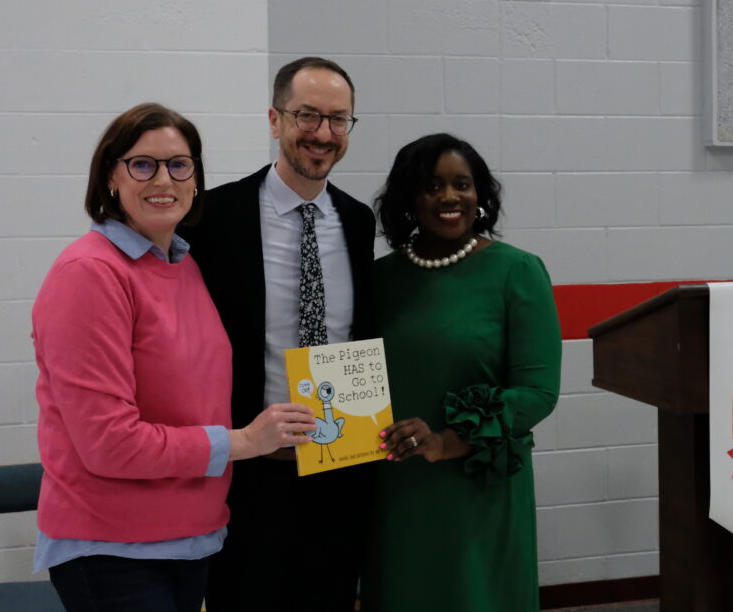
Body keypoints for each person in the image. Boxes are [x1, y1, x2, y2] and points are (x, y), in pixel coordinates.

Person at [32, 103, 317, 612]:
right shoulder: (90, 274)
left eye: (179, 164)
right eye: (142, 164)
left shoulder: (182, 265)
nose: (163, 179)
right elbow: (109, 444)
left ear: (196, 179)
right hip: (113, 548)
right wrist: (246, 441)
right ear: (111, 177)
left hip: (191, 538)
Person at [180, 58, 376, 611]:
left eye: (338, 120)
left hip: (339, 466)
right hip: (249, 473)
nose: (323, 133)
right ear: (274, 119)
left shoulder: (358, 220)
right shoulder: (216, 215)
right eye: (307, 115)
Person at [364, 133, 562, 612]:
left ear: (480, 194)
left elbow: (538, 392)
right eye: (432, 186)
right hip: (397, 483)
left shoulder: (517, 271)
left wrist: (446, 440)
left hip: (478, 483)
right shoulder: (380, 278)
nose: (450, 197)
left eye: (462, 184)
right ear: (410, 199)